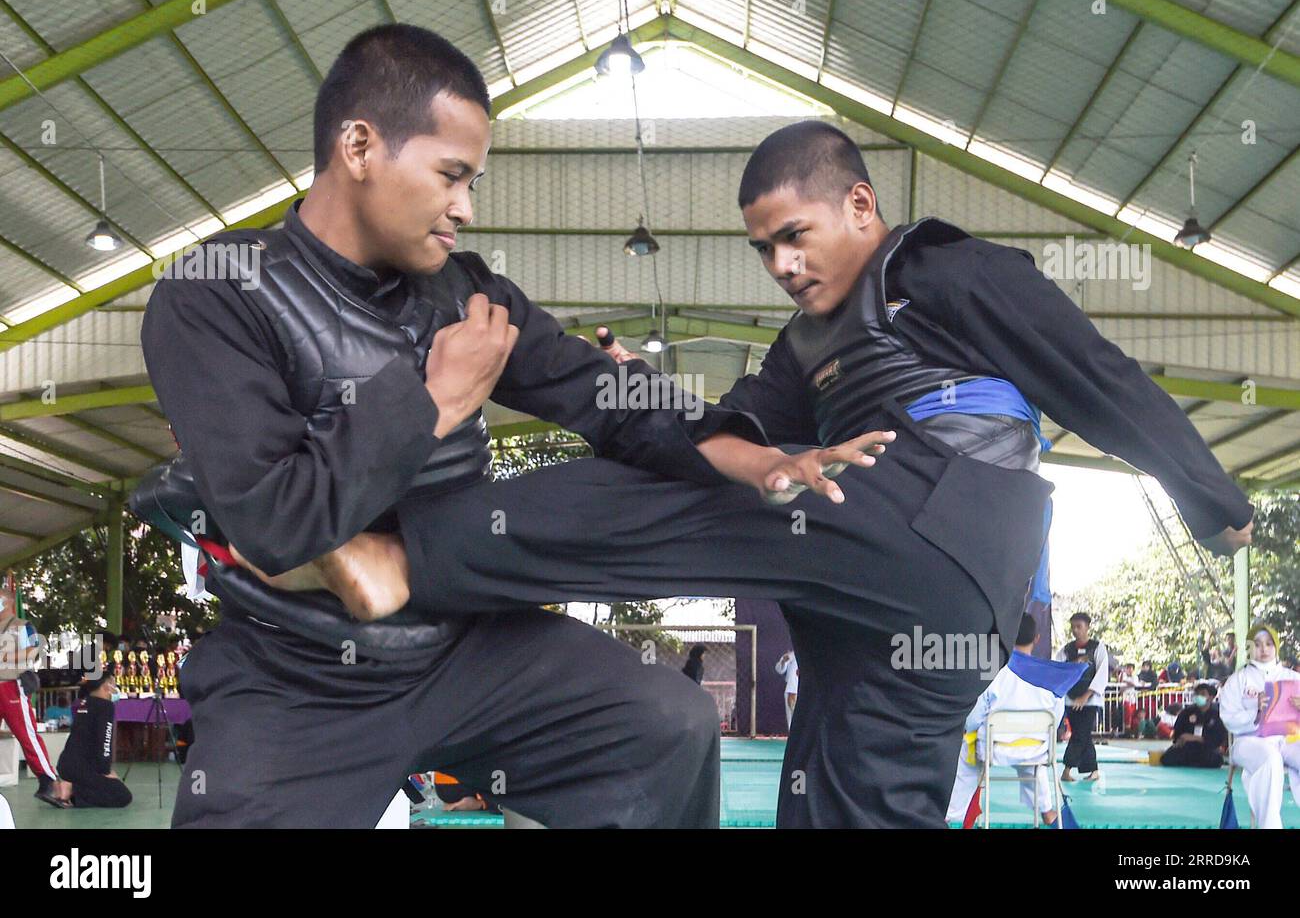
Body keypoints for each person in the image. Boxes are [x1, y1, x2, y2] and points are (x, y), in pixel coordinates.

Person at [252, 120, 1254, 827]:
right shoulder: (802, 345)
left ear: (858, 202)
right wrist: (628, 390)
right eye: (761, 247)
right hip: (893, 610)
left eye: (793, 235)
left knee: (677, 505)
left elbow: (1094, 374)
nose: (777, 262)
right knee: (846, 794)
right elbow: (731, 436)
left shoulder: (945, 272)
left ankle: (392, 553)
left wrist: (1210, 498)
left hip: (944, 517)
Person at [131, 24, 880, 829]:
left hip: (468, 646)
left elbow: (600, 394)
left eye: (473, 181)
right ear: (358, 146)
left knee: (664, 724)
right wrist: (432, 401)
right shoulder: (217, 296)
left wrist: (754, 456)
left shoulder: (467, 294)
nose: (466, 208)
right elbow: (275, 523)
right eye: (451, 176)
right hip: (297, 674)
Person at [945, 614, 1084, 827]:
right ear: (1037, 638)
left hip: (994, 749)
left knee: (967, 748)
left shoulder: (994, 672)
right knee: (1034, 761)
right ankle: (1047, 811)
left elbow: (974, 717)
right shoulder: (1052, 679)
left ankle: (952, 812)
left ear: (1007, 634)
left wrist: (966, 729)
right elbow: (1054, 723)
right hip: (1036, 750)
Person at [1218, 623, 1300, 829]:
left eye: (1269, 644)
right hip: (1248, 740)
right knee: (1271, 760)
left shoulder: (1293, 678)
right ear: (1249, 647)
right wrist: (1254, 712)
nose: (1263, 649)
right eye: (1257, 644)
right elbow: (1228, 717)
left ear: (1277, 647)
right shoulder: (1238, 680)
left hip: (1286, 739)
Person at [0, 582, 63, 808]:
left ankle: (47, 780)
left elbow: (34, 650)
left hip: (12, 685)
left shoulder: (23, 626)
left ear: (7, 602)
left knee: (27, 735)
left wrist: (6, 656)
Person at [51, 672, 132, 809]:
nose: (115, 687)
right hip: (80, 769)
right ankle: (71, 790)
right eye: (113, 683)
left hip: (67, 764)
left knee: (102, 785)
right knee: (123, 795)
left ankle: (68, 786)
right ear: (106, 686)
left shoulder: (84, 703)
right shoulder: (106, 706)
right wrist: (106, 771)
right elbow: (105, 741)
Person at [1054, 613, 1108, 781]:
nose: (1075, 630)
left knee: (1080, 734)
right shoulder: (1066, 650)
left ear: (1088, 627)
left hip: (1090, 700)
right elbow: (1059, 670)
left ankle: (1067, 769)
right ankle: (1093, 770)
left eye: (1079, 626)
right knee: (1082, 734)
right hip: (1071, 698)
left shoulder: (1098, 647)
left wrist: (1086, 695)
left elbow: (1102, 673)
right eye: (1073, 627)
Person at [1159, 682, 1226, 768]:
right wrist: (1180, 739)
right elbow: (1177, 733)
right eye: (1197, 694)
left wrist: (1197, 738)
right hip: (1187, 747)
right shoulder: (1186, 713)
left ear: (1211, 697)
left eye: (1203, 694)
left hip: (1205, 748)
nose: (1199, 696)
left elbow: (1218, 738)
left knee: (1216, 760)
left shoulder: (1217, 715)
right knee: (1166, 759)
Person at [775, 650, 799, 731]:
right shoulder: (791, 655)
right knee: (791, 717)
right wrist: (783, 662)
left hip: (807, 689)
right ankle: (793, 735)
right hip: (793, 688)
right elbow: (779, 669)